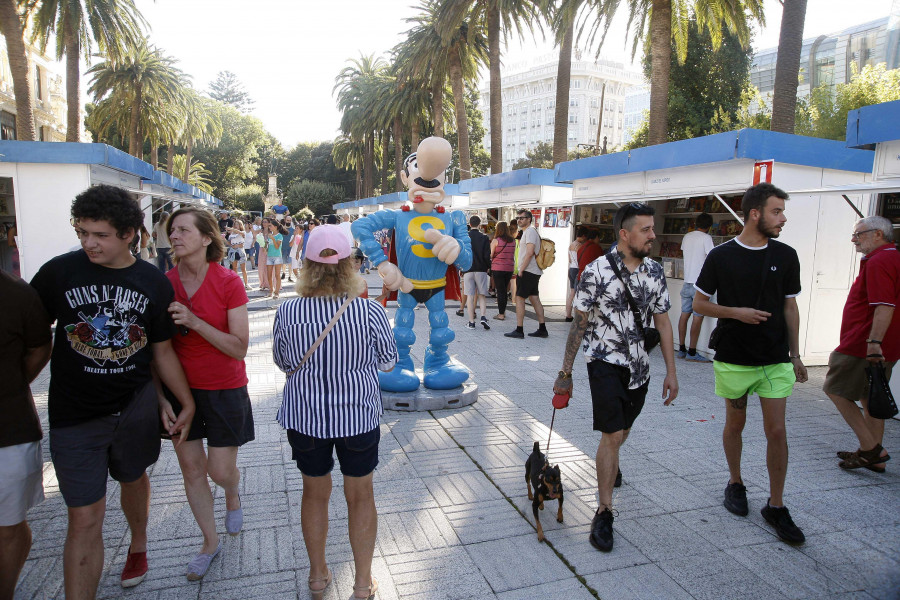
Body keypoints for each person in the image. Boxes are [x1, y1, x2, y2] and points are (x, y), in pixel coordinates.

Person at [29, 185, 196, 597]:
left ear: (128, 234)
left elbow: (161, 350)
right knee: (84, 518)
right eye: (82, 232)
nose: (89, 243)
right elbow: (29, 335)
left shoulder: (151, 281)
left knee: (133, 477)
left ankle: (138, 545)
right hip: (74, 415)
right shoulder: (58, 274)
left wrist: (185, 399)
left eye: (100, 234)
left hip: (133, 409)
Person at [272, 225, 397, 600]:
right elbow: (389, 363)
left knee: (314, 492)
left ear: (307, 262)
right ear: (350, 265)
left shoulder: (289, 310)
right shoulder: (369, 311)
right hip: (357, 418)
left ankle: (316, 576)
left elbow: (282, 362)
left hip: (305, 418)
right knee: (361, 494)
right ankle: (361, 582)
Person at [553, 201, 677, 553]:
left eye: (653, 229)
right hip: (604, 362)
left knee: (621, 431)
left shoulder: (654, 271)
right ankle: (604, 511)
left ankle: (611, 462)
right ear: (625, 234)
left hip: (640, 367)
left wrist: (671, 371)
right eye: (646, 230)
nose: (653, 235)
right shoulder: (595, 271)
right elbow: (579, 324)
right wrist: (565, 373)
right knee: (612, 433)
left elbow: (663, 322)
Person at [693, 182, 809, 545]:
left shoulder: (787, 255)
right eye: (777, 211)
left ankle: (776, 504)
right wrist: (736, 313)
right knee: (735, 423)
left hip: (775, 359)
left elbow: (790, 306)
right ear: (755, 213)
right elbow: (699, 304)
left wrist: (796, 354)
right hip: (734, 358)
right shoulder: (721, 256)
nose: (783, 218)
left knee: (777, 431)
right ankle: (735, 482)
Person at [161, 206, 254, 580]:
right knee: (192, 470)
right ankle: (209, 542)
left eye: (183, 230)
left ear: (205, 237)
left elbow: (239, 347)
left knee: (219, 470)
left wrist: (195, 322)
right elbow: (155, 349)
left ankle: (232, 492)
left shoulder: (229, 282)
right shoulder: (163, 282)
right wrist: (160, 397)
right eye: (172, 231)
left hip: (224, 388)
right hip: (179, 390)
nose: (175, 236)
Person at [823, 216, 899, 471]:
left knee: (835, 389)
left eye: (859, 234)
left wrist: (874, 342)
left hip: (864, 343)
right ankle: (873, 456)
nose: (854, 239)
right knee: (870, 398)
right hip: (879, 342)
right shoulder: (890, 257)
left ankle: (872, 450)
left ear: (878, 234)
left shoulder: (881, 260)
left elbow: (885, 306)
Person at [0, 271, 52, 599]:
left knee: (8, 526)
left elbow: (39, 349)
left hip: (9, 432)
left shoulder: (16, 293)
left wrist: (11, 389)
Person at [504, 209, 547, 338]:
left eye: (522, 218)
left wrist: (521, 269)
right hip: (532, 271)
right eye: (518, 218)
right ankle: (542, 328)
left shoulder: (530, 232)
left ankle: (519, 329)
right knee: (534, 298)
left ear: (529, 219)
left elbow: (529, 253)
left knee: (520, 298)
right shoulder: (528, 232)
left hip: (528, 271)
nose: (519, 220)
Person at [678, 213, 715, 361]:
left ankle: (681, 349)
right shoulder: (706, 238)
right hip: (700, 284)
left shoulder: (687, 237)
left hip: (686, 280)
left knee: (684, 314)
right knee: (697, 318)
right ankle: (692, 352)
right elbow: (712, 257)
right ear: (709, 226)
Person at [464, 215, 491, 330]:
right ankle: (483, 316)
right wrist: (488, 267)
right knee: (482, 295)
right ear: (480, 224)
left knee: (469, 296)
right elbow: (487, 255)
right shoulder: (484, 237)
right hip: (481, 269)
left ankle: (471, 322)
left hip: (468, 269)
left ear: (469, 224)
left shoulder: (465, 237)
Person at [490, 221, 516, 321]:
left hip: (498, 268)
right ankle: (503, 310)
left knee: (500, 291)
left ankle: (501, 314)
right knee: (504, 290)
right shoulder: (513, 241)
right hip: (509, 268)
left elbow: (491, 255)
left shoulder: (496, 241)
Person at [564, 227, 587, 322]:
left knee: (572, 293)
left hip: (571, 269)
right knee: (577, 294)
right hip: (578, 269)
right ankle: (577, 316)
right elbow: (581, 259)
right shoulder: (580, 246)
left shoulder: (571, 245)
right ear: (583, 236)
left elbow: (570, 259)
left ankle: (568, 315)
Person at [225, 220, 251, 290]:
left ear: (240, 225)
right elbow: (230, 244)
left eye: (237, 224)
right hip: (233, 251)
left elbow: (239, 232)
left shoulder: (242, 232)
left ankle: (246, 284)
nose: (236, 225)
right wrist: (223, 239)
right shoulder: (231, 235)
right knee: (234, 268)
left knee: (243, 269)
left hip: (240, 251)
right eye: (235, 224)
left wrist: (231, 229)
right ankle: (236, 284)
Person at [265, 219, 286, 298]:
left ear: (275, 227)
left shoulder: (279, 236)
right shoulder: (269, 235)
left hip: (277, 256)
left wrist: (273, 239)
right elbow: (268, 246)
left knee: (277, 275)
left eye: (270, 225)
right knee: (269, 275)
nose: (269, 227)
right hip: (269, 256)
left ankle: (277, 292)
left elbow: (277, 247)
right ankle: (271, 290)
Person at [282, 216, 296, 283]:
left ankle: (290, 276)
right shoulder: (281, 230)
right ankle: (284, 273)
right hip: (283, 248)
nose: (288, 222)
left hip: (290, 249)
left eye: (290, 220)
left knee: (290, 263)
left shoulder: (293, 230)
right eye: (287, 220)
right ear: (285, 220)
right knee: (284, 263)